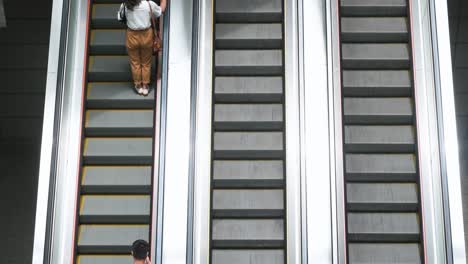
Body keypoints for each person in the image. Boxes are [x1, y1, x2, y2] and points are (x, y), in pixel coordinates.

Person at [117, 0, 167, 96]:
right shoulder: (148, 4)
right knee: (146, 62)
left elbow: (120, 17)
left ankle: (138, 85)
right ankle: (145, 85)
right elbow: (161, 11)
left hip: (132, 35)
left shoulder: (124, 5)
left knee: (135, 62)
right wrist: (163, 1)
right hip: (146, 34)